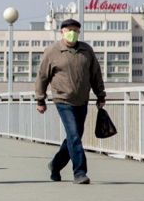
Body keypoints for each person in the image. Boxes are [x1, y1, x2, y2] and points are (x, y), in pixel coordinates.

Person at [35, 19, 106, 185]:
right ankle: (80, 172)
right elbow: (42, 76)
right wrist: (40, 99)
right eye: (69, 30)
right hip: (63, 100)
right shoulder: (52, 51)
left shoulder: (86, 50)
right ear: (62, 32)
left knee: (74, 137)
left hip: (82, 100)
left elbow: (95, 74)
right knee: (74, 135)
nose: (72, 33)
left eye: (75, 30)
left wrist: (100, 95)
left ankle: (55, 165)